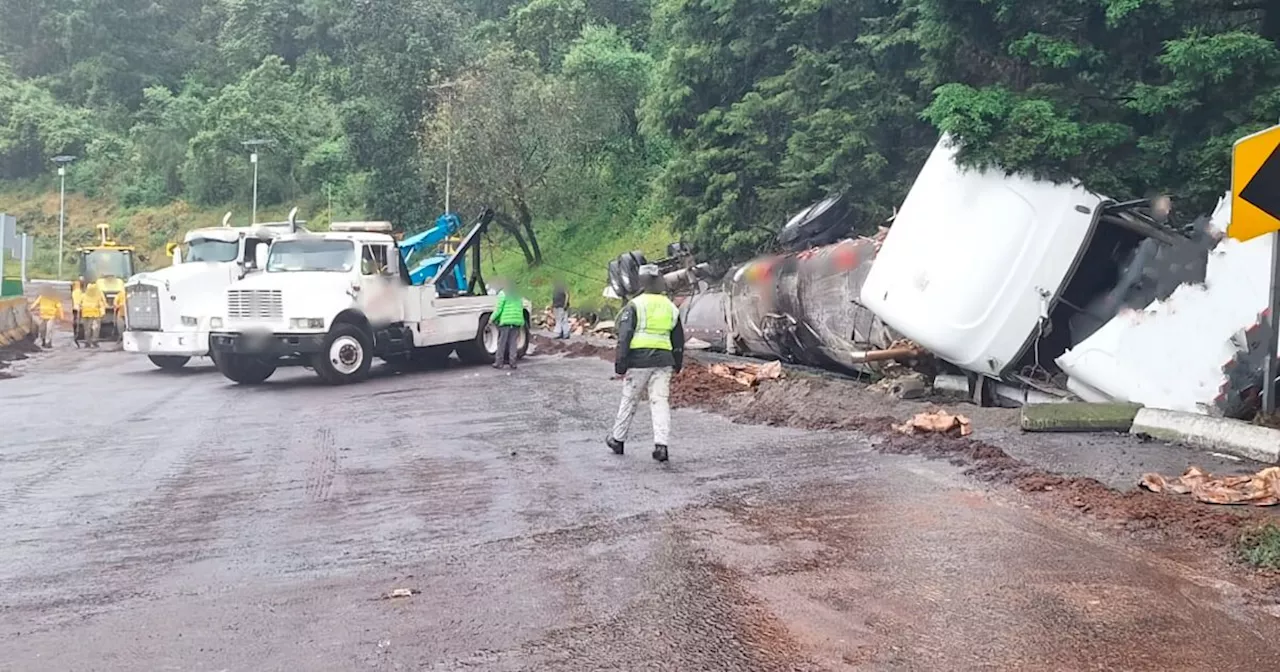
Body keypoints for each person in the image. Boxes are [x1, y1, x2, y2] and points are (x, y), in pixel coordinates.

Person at [607, 265, 684, 463]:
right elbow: (678, 339)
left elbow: (624, 337)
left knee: (629, 400)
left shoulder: (635, 305)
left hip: (639, 361)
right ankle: (661, 446)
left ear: (641, 282)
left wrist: (620, 364)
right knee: (660, 402)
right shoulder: (670, 306)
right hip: (664, 361)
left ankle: (618, 439)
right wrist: (677, 363)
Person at [490, 281, 525, 370]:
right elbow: (520, 309)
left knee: (502, 342)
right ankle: (513, 362)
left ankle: (499, 362)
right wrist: (521, 322)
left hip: (506, 322)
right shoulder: (518, 296)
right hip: (516, 322)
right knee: (513, 343)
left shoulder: (503, 294)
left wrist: (491, 319)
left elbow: (499, 309)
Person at [80, 282, 108, 349]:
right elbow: (102, 303)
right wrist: (103, 312)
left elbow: (79, 304)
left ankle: (87, 342)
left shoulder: (83, 295)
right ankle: (94, 340)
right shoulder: (98, 295)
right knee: (95, 328)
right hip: (95, 314)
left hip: (85, 313)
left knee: (87, 328)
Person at [71, 277, 84, 348]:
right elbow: (80, 300)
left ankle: (76, 335)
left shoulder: (74, 292)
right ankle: (77, 336)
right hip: (79, 308)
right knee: (78, 323)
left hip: (75, 308)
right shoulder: (79, 292)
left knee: (76, 322)